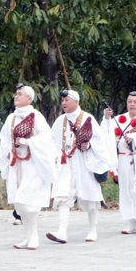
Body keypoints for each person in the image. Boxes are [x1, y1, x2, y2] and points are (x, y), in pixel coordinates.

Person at [47, 89, 111, 243]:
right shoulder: (59, 121)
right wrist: (57, 155)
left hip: (84, 162)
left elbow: (99, 140)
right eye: (62, 101)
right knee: (63, 195)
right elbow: (52, 141)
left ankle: (92, 230)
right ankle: (62, 231)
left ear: (76, 101)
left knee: (90, 196)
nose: (64, 103)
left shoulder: (87, 118)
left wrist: (88, 145)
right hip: (66, 162)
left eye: (67, 100)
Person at [0, 84, 55, 250]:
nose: (16, 96)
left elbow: (45, 138)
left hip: (32, 165)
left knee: (29, 201)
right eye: (16, 94)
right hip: (17, 164)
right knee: (19, 203)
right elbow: (5, 139)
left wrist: (28, 142)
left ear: (29, 99)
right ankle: (28, 237)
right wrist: (9, 150)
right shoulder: (12, 118)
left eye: (20, 94)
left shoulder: (36, 116)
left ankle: (34, 235)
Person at [102, 92, 136, 234]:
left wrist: (134, 138)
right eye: (129, 101)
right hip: (123, 159)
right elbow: (106, 135)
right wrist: (107, 119)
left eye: (135, 101)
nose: (132, 104)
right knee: (126, 190)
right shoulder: (118, 119)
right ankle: (130, 222)